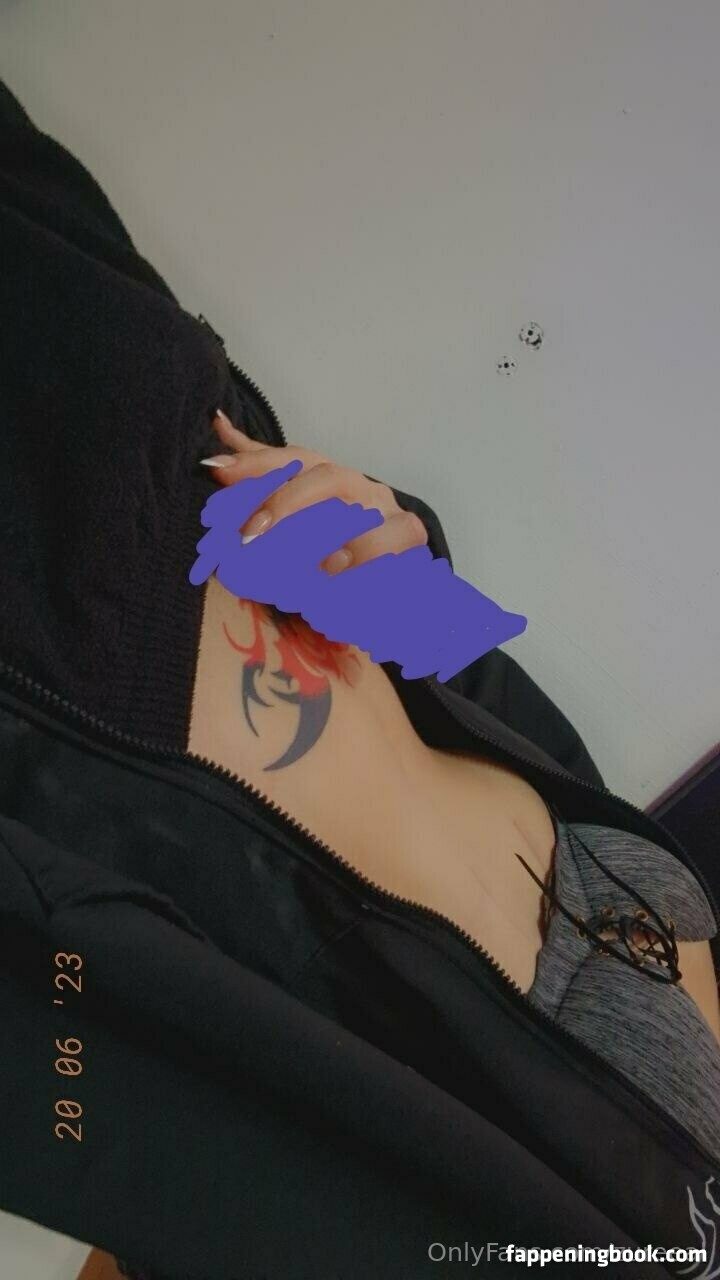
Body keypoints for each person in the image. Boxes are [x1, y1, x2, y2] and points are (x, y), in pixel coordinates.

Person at [1, 77, 719, 1280]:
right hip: (169, 419)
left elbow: (150, 1162)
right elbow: (483, 703)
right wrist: (397, 561)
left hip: (62, 690)